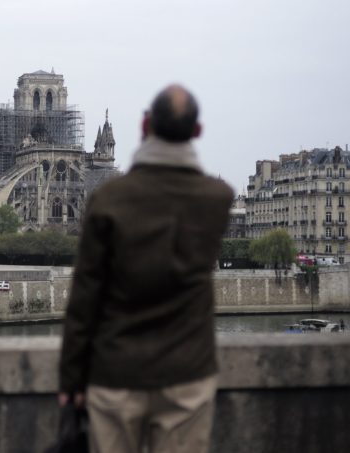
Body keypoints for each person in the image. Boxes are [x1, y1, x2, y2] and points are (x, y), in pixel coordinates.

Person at [59, 85, 234, 453]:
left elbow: (85, 297)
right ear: (197, 132)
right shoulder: (217, 198)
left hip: (115, 374)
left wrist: (72, 378)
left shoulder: (108, 198)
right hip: (187, 375)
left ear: (144, 124)